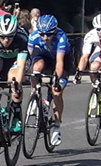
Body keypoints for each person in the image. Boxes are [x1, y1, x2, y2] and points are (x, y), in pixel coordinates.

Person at [26, 14, 69, 147]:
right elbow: (29, 58)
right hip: (43, 57)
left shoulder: (61, 37)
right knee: (35, 69)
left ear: (54, 31)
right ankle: (34, 95)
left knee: (56, 92)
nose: (45, 38)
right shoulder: (33, 37)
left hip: (60, 59)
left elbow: (60, 62)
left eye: (48, 35)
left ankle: (57, 126)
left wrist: (56, 80)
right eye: (42, 34)